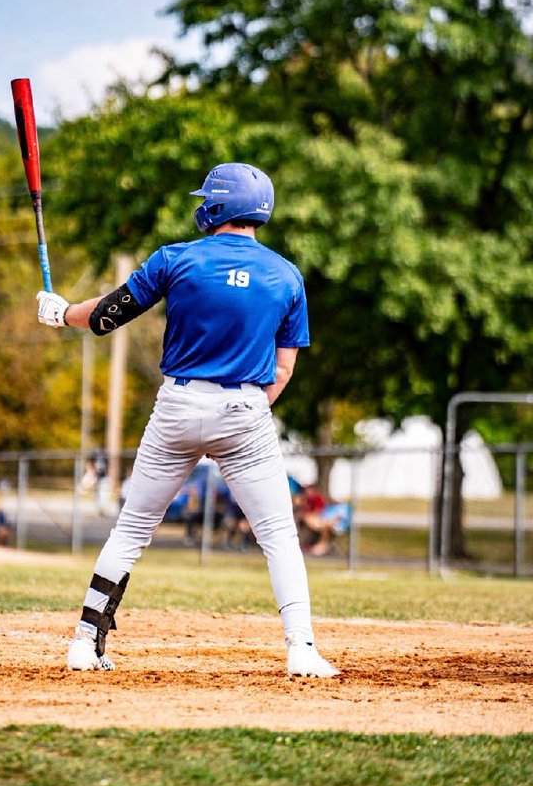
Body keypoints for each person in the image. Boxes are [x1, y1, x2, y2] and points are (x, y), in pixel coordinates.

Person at [36, 161, 339, 678]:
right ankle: (301, 649)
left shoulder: (176, 259)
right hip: (246, 407)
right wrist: (246, 411)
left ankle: (85, 642)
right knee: (278, 535)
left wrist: (61, 312)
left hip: (177, 405)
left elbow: (108, 315)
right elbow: (284, 368)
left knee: (131, 529)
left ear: (217, 206)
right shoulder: (287, 275)